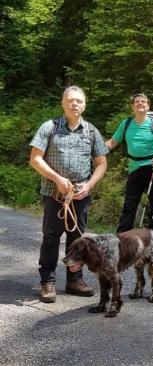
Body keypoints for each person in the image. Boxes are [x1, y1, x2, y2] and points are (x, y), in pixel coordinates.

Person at [30, 86, 108, 303]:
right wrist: (57, 178)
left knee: (78, 239)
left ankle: (75, 280)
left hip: (80, 196)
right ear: (63, 103)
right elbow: (35, 158)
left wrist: (89, 185)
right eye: (71, 100)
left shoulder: (91, 131)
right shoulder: (50, 127)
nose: (75, 104)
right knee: (51, 237)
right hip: (54, 193)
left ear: (85, 105)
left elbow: (101, 163)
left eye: (79, 101)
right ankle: (48, 281)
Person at [106, 93, 153, 239]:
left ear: (148, 106)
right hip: (134, 169)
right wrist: (95, 151)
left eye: (143, 102)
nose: (140, 103)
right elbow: (112, 143)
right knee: (129, 207)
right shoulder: (126, 123)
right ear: (132, 107)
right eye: (137, 102)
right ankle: (121, 242)